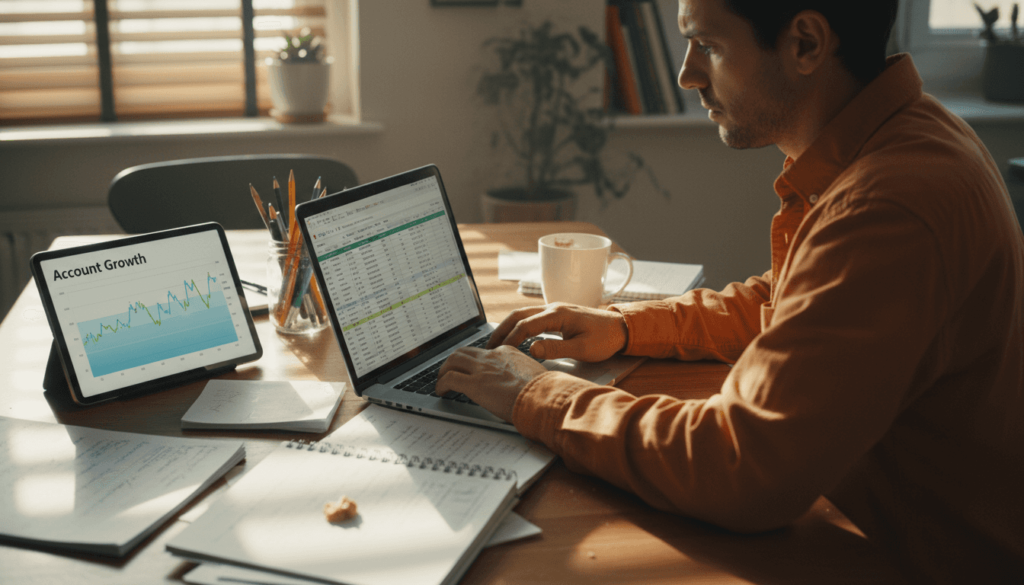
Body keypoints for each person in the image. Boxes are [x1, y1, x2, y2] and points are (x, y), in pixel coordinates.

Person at [438, 0, 1024, 581]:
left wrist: (537, 394)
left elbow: (743, 469)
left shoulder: (888, 206)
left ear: (806, 45)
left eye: (709, 47)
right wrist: (624, 326)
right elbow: (789, 302)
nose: (687, 74)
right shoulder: (905, 139)